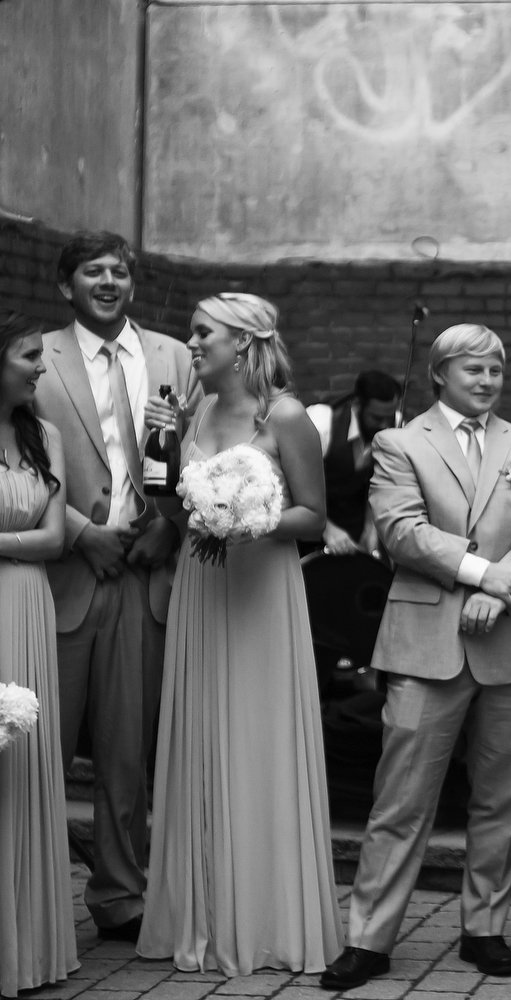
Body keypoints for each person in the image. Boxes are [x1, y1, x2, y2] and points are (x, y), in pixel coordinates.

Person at [322, 324, 511, 990]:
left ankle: (484, 927)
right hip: (426, 646)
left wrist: (504, 593)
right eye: (474, 370)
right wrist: (487, 577)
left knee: (502, 802)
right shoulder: (398, 443)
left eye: (496, 371)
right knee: (400, 800)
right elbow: (402, 533)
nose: (487, 382)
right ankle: (369, 939)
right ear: (439, 373)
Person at [138, 292, 341, 974]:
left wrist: (250, 520)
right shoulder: (194, 410)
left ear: (244, 343)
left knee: (258, 735)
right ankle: (202, 912)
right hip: (202, 584)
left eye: (203, 335)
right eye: (193, 336)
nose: (191, 345)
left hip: (263, 591)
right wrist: (157, 443)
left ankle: (267, 916)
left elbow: (314, 516)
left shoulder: (284, 415)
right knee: (201, 735)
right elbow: (171, 503)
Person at [32, 231, 193, 943]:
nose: (107, 280)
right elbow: (15, 454)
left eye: (119, 271)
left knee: (129, 752)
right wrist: (77, 532)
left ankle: (121, 894)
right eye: (92, 271)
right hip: (68, 568)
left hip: (147, 567)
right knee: (45, 746)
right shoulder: (38, 357)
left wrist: (174, 526)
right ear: (66, 287)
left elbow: (203, 452)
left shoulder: (173, 356)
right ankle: (31, 894)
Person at [0, 311, 76, 997]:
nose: (40, 367)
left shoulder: (46, 435)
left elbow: (55, 540)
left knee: (23, 759)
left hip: (28, 603)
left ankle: (24, 945)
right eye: (29, 357)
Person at [306, 369, 401, 555]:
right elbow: (296, 485)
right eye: (377, 418)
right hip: (311, 536)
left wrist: (371, 529)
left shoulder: (397, 425)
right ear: (357, 404)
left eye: (389, 418)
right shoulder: (321, 423)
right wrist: (328, 529)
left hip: (356, 533)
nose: (384, 425)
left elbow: (381, 484)